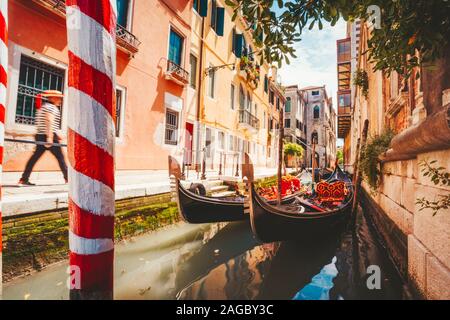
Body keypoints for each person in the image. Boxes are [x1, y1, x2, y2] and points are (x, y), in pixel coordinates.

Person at [18, 90, 68, 186]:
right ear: (53, 98)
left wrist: (56, 134)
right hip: (48, 136)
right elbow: (49, 120)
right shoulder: (51, 108)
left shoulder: (43, 107)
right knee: (60, 157)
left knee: (34, 158)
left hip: (41, 135)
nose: (60, 101)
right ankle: (68, 178)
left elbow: (42, 123)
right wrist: (50, 137)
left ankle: (24, 178)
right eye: (59, 98)